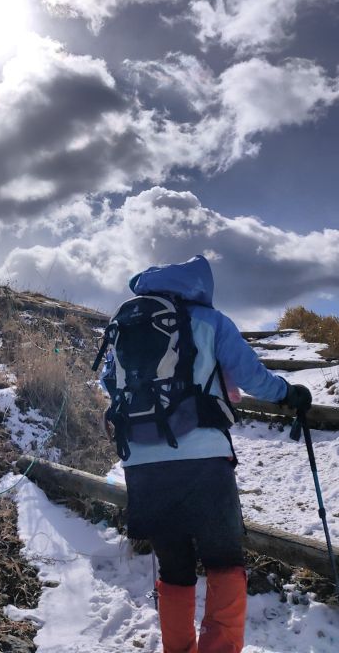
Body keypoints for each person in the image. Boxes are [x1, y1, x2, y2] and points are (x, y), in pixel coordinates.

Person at [99, 255, 312, 653]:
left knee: (175, 566)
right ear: (201, 285)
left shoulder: (127, 322)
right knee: (224, 559)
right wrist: (289, 393)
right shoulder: (211, 321)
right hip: (204, 461)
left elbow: (107, 383)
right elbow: (251, 377)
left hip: (143, 463)